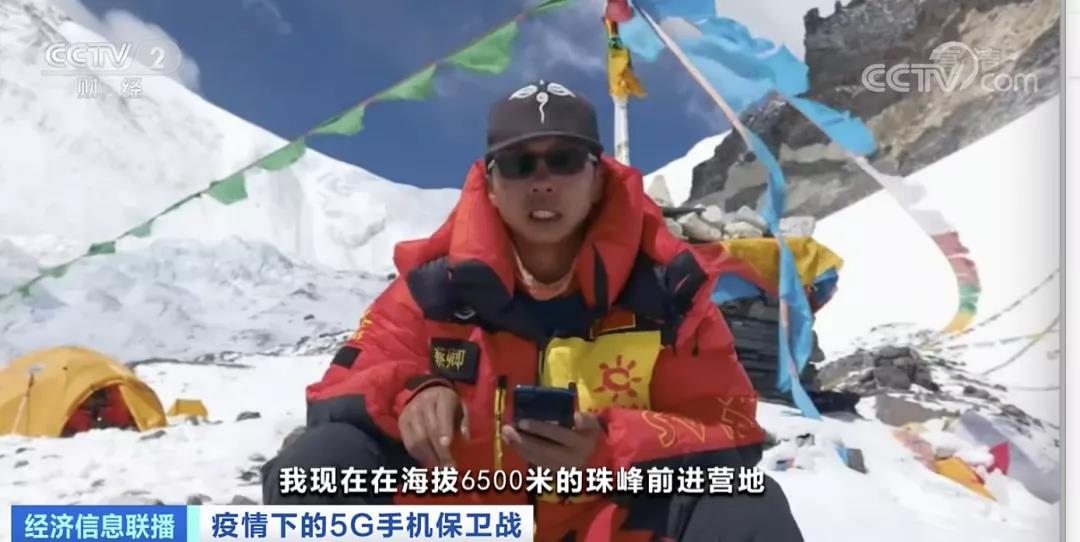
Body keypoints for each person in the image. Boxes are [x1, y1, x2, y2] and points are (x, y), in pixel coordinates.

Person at [261, 79, 804, 542]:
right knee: (318, 466)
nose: (542, 181)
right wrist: (411, 393)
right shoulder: (431, 290)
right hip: (462, 520)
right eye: (519, 164)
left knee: (744, 500)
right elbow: (337, 389)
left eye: (564, 161)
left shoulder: (668, 295)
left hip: (606, 524)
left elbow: (731, 431)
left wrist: (608, 449)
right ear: (492, 185)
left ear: (597, 178)